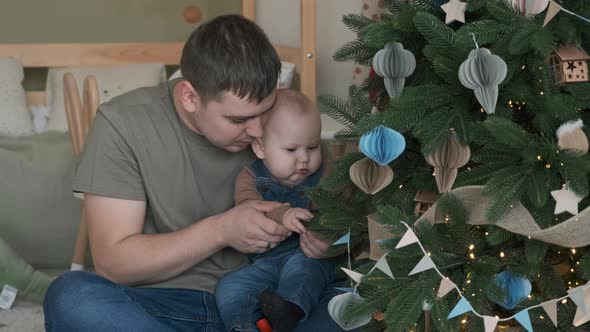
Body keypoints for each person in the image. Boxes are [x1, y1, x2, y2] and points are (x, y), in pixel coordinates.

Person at [43, 15, 347, 332]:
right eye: (238, 119)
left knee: (363, 303)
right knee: (72, 297)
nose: (258, 131)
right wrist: (221, 231)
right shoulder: (123, 124)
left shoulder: (287, 121)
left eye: (264, 111)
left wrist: (328, 241)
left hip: (274, 302)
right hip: (170, 307)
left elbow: (339, 209)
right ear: (190, 97)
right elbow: (114, 264)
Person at [216, 90, 334, 332]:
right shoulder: (251, 178)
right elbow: (249, 213)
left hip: (307, 256)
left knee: (303, 272)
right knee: (230, 287)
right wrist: (282, 214)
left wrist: (329, 239)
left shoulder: (327, 173)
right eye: (291, 150)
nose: (304, 159)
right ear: (260, 148)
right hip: (264, 264)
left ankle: (290, 312)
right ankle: (244, 326)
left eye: (312, 147)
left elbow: (343, 214)